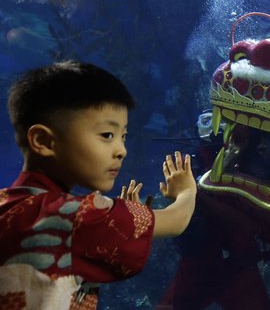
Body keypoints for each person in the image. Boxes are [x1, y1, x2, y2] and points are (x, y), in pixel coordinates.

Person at [0, 60, 197, 310]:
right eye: (107, 135)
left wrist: (122, 219)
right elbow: (177, 220)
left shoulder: (7, 202)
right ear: (43, 141)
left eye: (123, 137)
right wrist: (186, 191)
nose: (121, 151)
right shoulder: (78, 216)